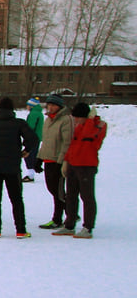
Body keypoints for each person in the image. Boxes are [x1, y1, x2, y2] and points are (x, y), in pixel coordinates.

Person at [0, 97, 39, 238]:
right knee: (16, 199)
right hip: (12, 167)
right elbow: (33, 138)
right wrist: (26, 150)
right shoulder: (18, 123)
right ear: (12, 109)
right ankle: (21, 230)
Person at [53, 102, 107, 239]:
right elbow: (73, 144)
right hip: (73, 164)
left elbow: (88, 137)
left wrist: (89, 120)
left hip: (87, 166)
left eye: (78, 118)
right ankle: (69, 225)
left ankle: (88, 227)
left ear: (85, 116)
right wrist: (66, 161)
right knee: (70, 196)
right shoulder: (79, 126)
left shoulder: (98, 125)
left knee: (87, 196)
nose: (75, 121)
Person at [35, 93, 73, 229]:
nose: (50, 107)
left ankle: (60, 217)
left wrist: (61, 161)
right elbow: (45, 142)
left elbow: (66, 143)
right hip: (48, 159)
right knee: (52, 189)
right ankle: (70, 211)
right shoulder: (48, 120)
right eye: (49, 105)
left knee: (58, 192)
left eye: (53, 105)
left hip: (58, 161)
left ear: (59, 106)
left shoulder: (65, 120)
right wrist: (39, 158)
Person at [22, 96, 44, 182]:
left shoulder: (33, 114)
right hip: (37, 137)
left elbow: (30, 127)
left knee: (28, 155)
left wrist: (25, 136)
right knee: (32, 155)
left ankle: (30, 175)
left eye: (28, 105)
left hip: (32, 138)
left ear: (31, 105)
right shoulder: (39, 113)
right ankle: (32, 173)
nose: (26, 106)